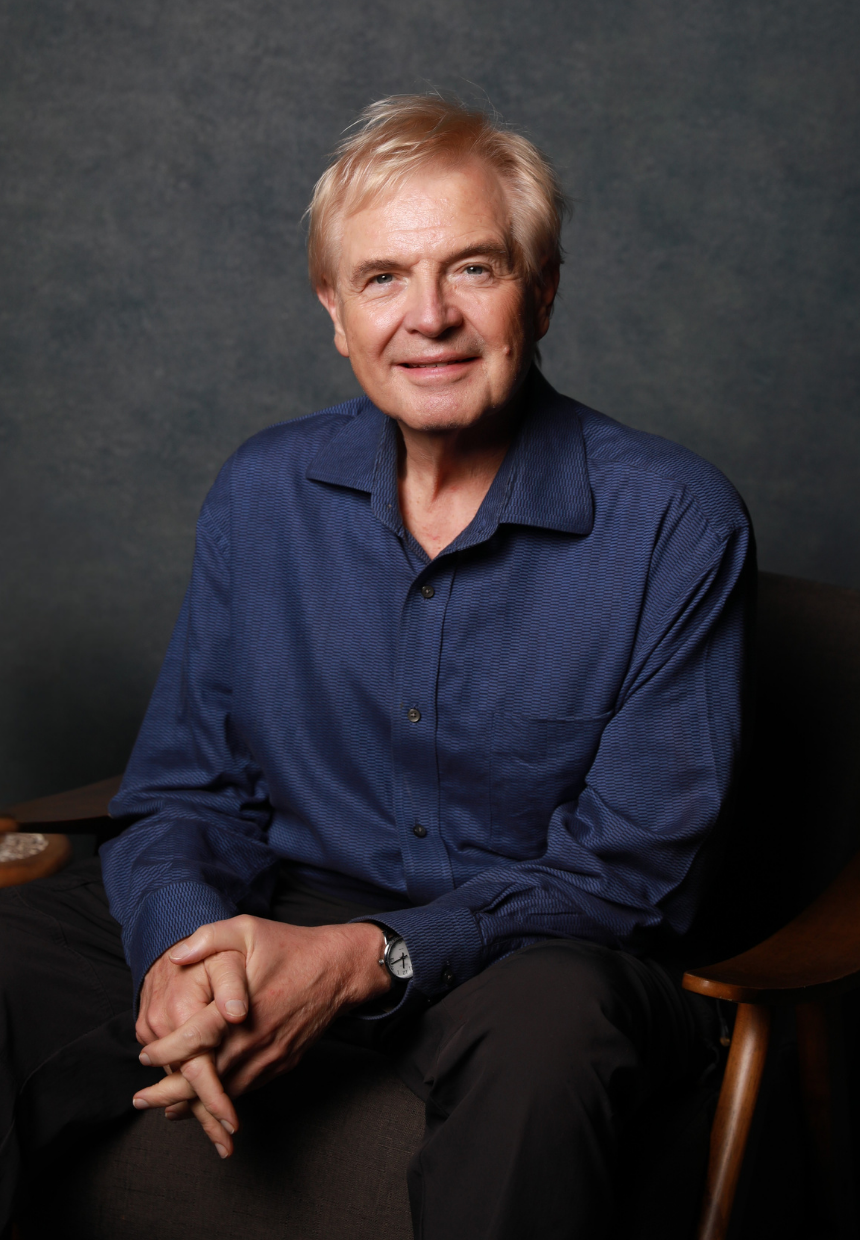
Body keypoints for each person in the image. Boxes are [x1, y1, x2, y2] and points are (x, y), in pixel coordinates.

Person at [0, 95, 753, 1239]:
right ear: (334, 312)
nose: (430, 318)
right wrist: (180, 949)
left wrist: (369, 957)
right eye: (384, 278)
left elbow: (629, 877)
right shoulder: (261, 493)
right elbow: (184, 789)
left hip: (545, 943)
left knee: (551, 1035)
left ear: (539, 291)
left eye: (474, 270)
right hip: (286, 898)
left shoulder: (674, 523)